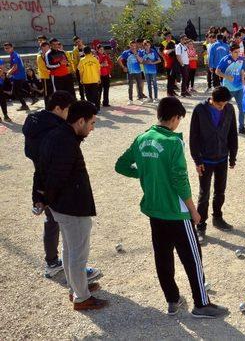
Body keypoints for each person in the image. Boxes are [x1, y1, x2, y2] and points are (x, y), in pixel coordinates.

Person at [115, 97, 226, 318]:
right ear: (175, 118)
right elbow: (180, 180)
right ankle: (201, 304)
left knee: (163, 257)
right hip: (177, 212)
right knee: (192, 257)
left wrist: (145, 172)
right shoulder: (173, 142)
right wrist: (194, 210)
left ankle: (172, 300)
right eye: (178, 120)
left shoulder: (141, 138)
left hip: (154, 210)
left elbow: (121, 165)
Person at [38, 101, 106, 309]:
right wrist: (46, 197)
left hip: (61, 207)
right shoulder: (66, 142)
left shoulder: (56, 134)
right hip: (72, 207)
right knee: (78, 253)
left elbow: (40, 168)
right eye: (92, 123)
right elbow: (57, 177)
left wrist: (42, 198)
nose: (93, 128)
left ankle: (76, 287)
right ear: (80, 121)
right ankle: (82, 297)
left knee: (69, 249)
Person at [22, 91, 97, 279]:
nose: (70, 115)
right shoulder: (54, 130)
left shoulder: (36, 123)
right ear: (57, 109)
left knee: (54, 222)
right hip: (56, 186)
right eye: (68, 111)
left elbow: (35, 158)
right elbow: (57, 166)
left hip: (45, 180)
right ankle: (74, 277)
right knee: (70, 233)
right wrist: (45, 196)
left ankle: (53, 261)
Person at [189, 87, 238, 239]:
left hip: (222, 158)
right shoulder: (200, 110)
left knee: (220, 191)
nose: (222, 107)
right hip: (205, 160)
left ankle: (218, 217)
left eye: (224, 104)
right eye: (219, 105)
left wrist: (232, 156)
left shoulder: (229, 108)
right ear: (212, 99)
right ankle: (201, 225)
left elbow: (232, 133)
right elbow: (193, 137)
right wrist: (197, 160)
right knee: (204, 194)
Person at [216, 43, 245, 134]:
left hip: (239, 88)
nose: (237, 54)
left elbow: (242, 70)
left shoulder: (241, 59)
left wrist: (243, 78)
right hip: (228, 89)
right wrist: (226, 76)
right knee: (223, 107)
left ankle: (241, 127)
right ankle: (221, 127)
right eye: (235, 52)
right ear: (230, 52)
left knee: (242, 108)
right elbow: (217, 71)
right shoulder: (225, 59)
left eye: (238, 52)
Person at [4, 42, 30, 111]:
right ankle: (30, 99)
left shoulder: (14, 55)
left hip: (19, 76)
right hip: (18, 75)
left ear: (12, 48)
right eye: (5, 48)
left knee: (16, 92)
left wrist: (9, 72)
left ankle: (25, 104)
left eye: (8, 48)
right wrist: (9, 71)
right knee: (18, 91)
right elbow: (14, 66)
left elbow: (15, 67)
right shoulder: (13, 54)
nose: (7, 50)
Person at [78, 46, 101, 112]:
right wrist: (99, 78)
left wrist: (81, 79)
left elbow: (80, 71)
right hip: (95, 79)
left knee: (88, 95)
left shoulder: (82, 60)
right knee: (96, 94)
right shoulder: (95, 59)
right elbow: (98, 69)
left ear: (84, 52)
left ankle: (90, 109)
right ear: (90, 52)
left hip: (86, 80)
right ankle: (97, 108)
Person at [70, 36, 86, 101]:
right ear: (75, 43)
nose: (78, 43)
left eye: (79, 41)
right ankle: (82, 97)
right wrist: (75, 69)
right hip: (79, 69)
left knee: (88, 83)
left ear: (81, 40)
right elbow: (74, 61)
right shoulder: (74, 51)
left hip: (87, 69)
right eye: (76, 42)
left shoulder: (86, 48)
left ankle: (89, 96)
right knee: (81, 84)